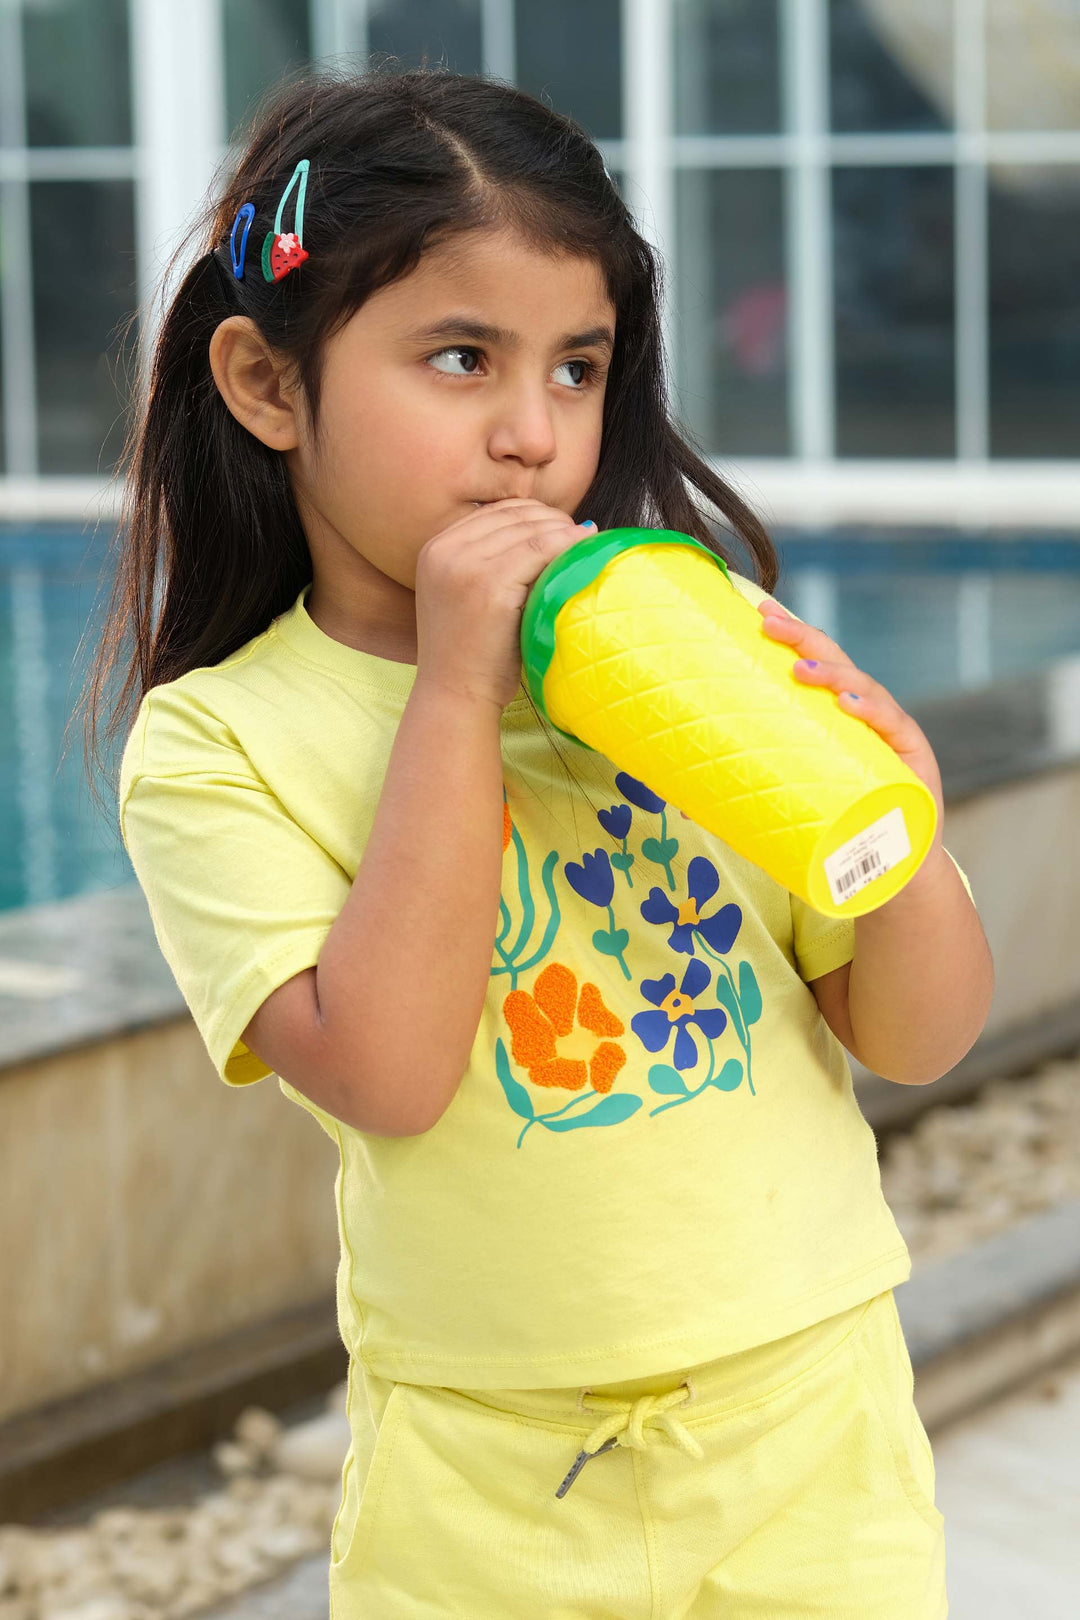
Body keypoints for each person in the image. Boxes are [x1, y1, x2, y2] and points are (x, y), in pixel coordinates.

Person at [89, 63, 993, 1618]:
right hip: (495, 1489)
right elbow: (385, 1070)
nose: (532, 436)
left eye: (577, 370)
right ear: (267, 385)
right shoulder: (222, 744)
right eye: (460, 358)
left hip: (807, 1431)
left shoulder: (697, 646)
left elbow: (916, 1034)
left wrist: (892, 825)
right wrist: (456, 689)